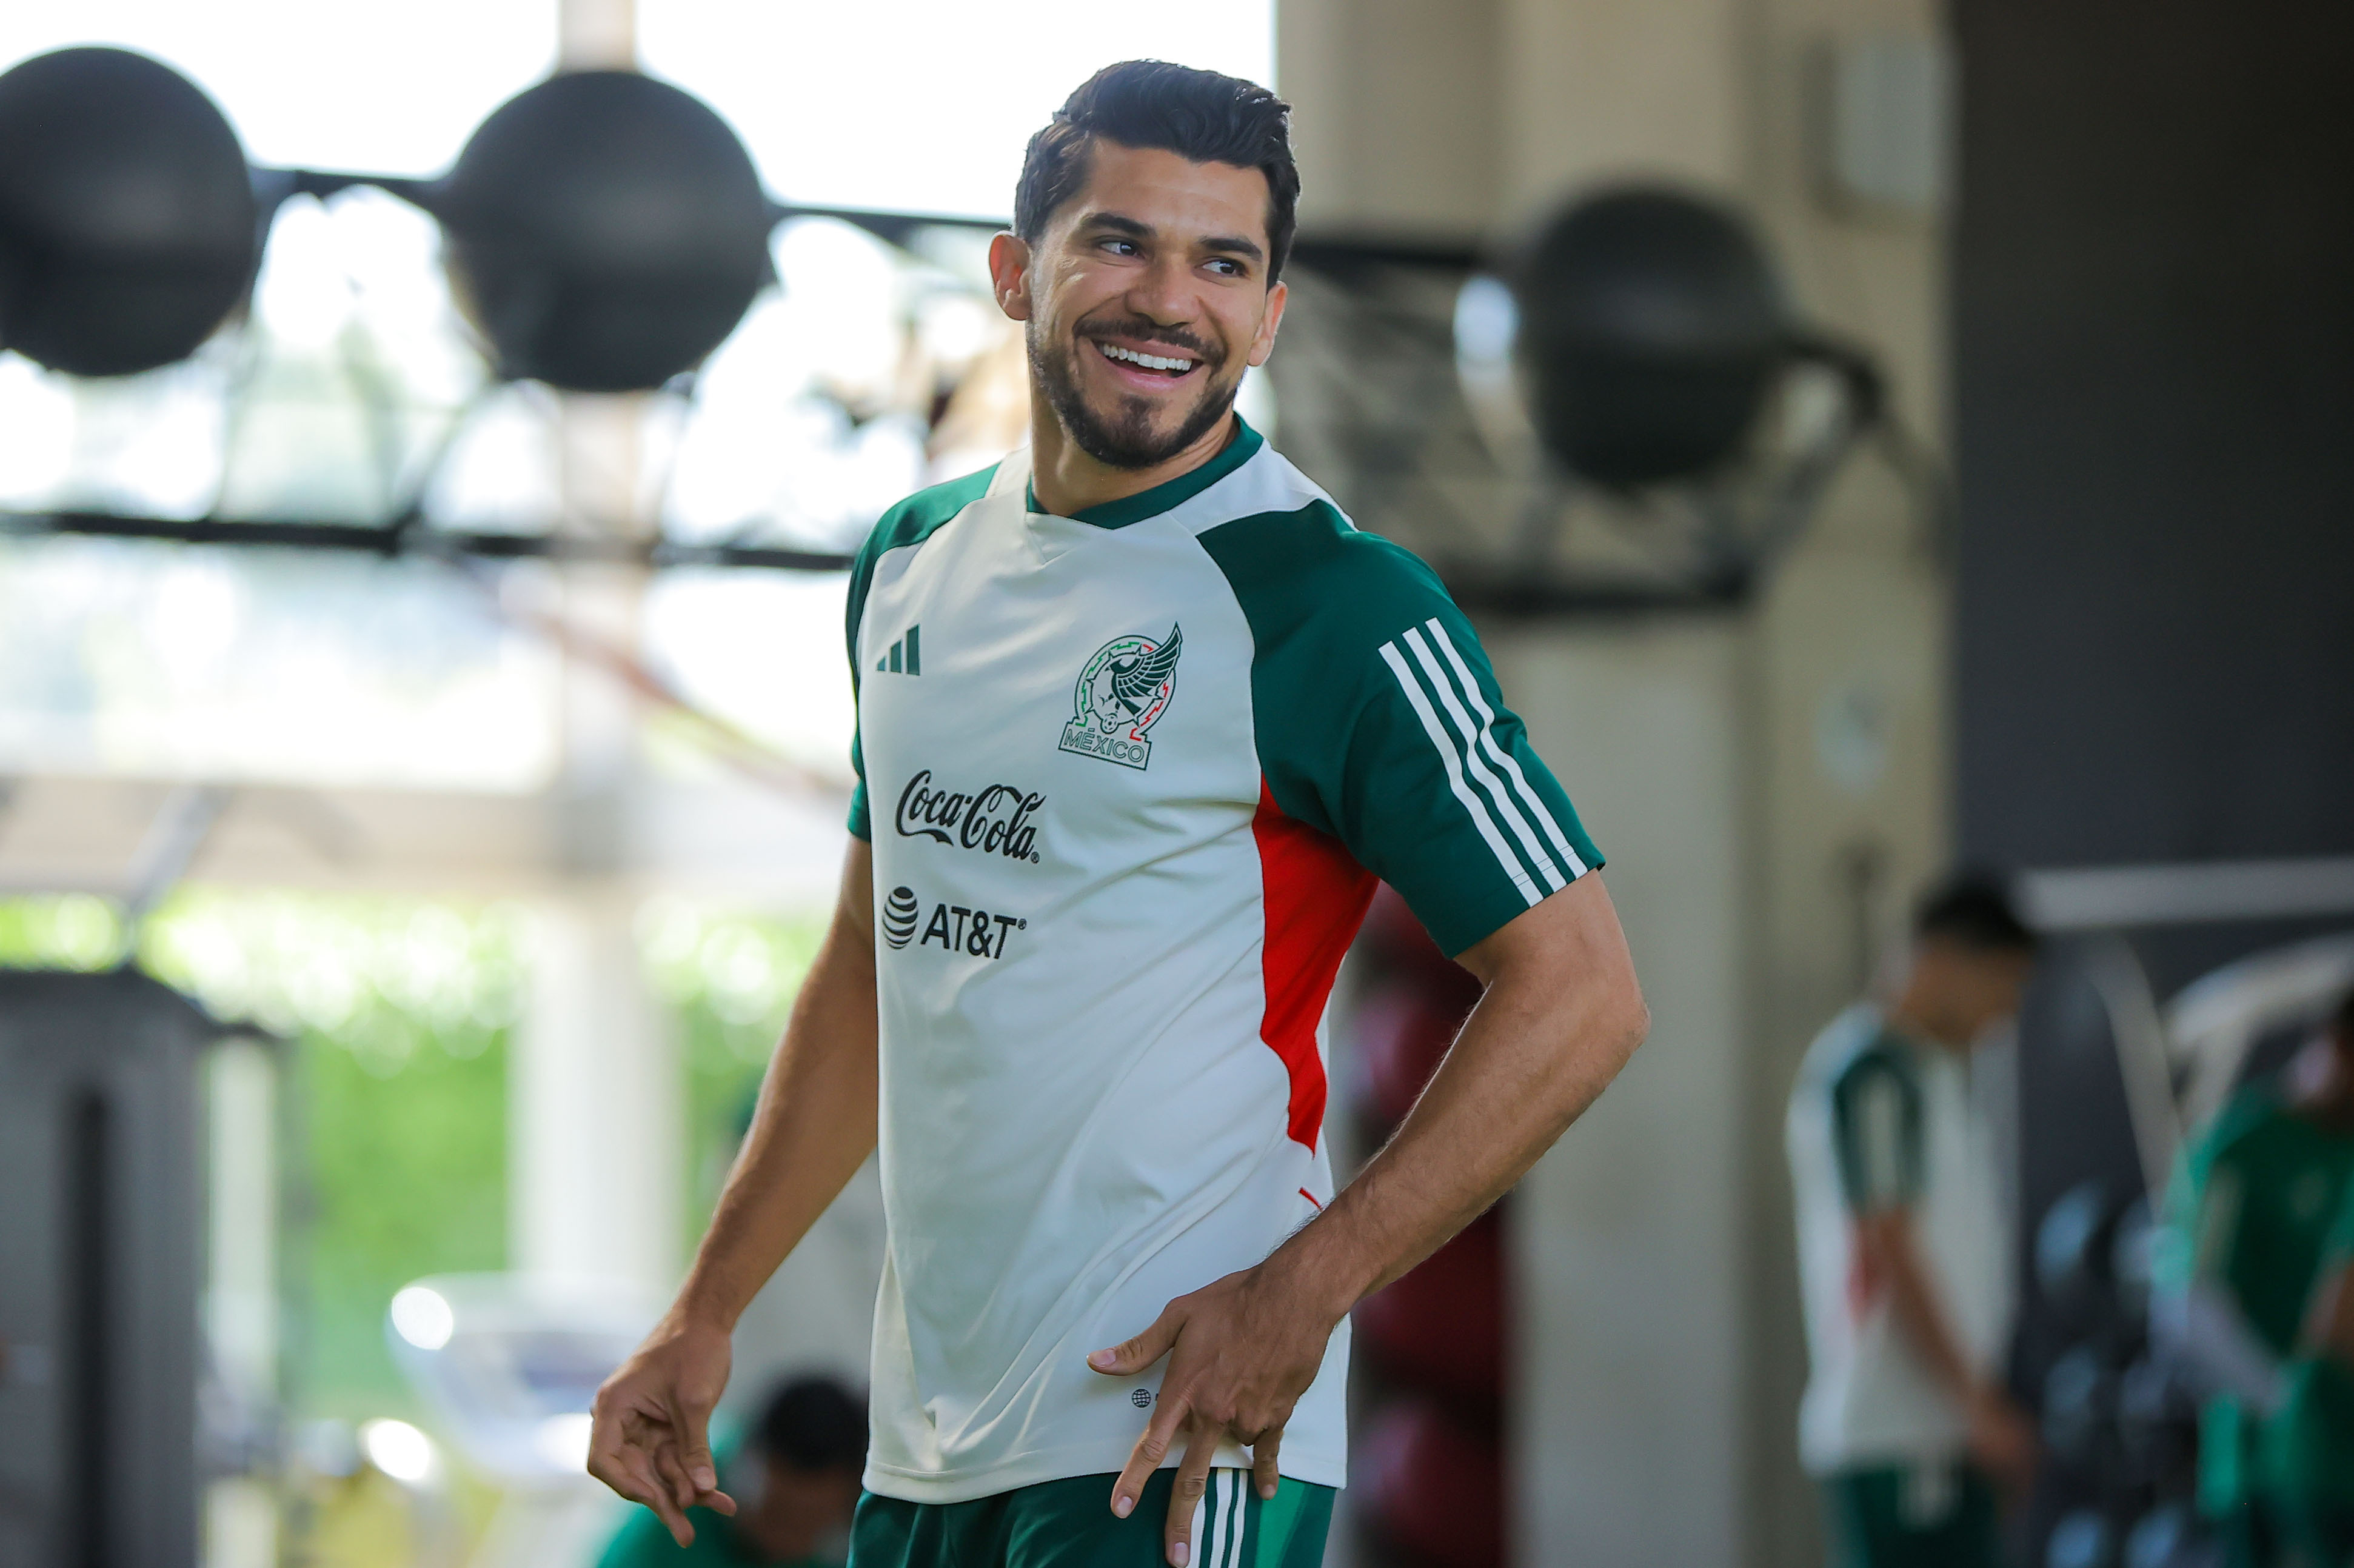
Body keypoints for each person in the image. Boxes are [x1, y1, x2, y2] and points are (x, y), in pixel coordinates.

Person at [588, 59, 1648, 1568]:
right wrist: (706, 1308)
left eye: (1222, 263)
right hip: (928, 1437)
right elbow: (872, 967)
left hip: (1169, 1428)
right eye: (1118, 243)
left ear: (1268, 315)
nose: (1169, 299)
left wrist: (1302, 1291)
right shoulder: (907, 562)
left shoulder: (1331, 604)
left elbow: (1584, 991)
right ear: (1015, 273)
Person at [1786, 877, 2040, 1568]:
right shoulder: (1870, 1072)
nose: (2006, 1011)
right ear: (1944, 959)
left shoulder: (1927, 1072)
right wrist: (1976, 1405)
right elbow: (1886, 1241)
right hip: (1897, 1429)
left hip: (1939, 1426)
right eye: (2003, 982)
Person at [2156, 988, 2354, 1568]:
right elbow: (2188, 1308)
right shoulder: (2237, 1147)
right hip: (2263, 1467)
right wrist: (2288, 1401)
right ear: (2336, 1047)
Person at [598, 1377, 868, 1567]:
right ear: (742, 1472)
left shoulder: (849, 1551)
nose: (788, 1540)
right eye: (780, 1515)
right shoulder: (674, 1517)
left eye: (812, 1522)